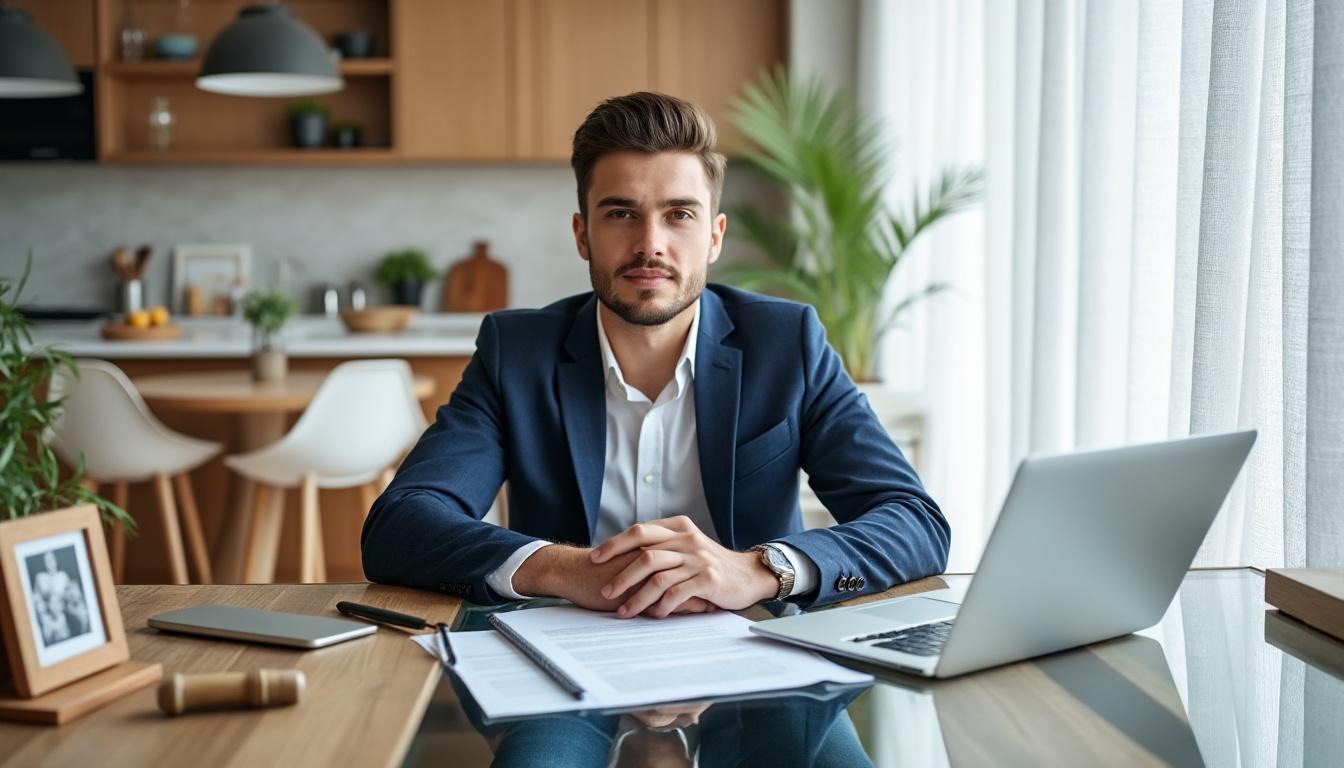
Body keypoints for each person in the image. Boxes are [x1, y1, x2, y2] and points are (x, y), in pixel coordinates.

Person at [362, 92, 950, 616]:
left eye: (680, 214)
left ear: (714, 236)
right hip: (566, 653)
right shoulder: (517, 352)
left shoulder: (786, 342)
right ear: (582, 234)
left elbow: (914, 522)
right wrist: (568, 571)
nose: (650, 244)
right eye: (621, 214)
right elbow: (400, 524)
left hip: (758, 649)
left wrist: (755, 570)